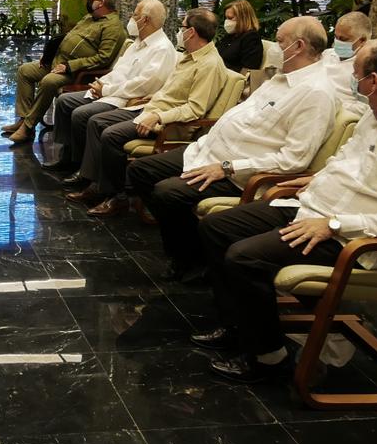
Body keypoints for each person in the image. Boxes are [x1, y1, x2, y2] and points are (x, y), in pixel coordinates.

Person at [194, 37, 377, 383]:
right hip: (313, 208)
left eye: (355, 73)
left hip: (351, 237)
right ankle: (239, 326)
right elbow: (346, 161)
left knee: (244, 258)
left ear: (374, 82)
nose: (351, 79)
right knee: (216, 227)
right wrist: (315, 180)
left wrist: (334, 223)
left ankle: (269, 358)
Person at [129, 16, 338, 281]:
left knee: (167, 193)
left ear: (298, 46)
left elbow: (293, 160)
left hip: (237, 172)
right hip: (208, 151)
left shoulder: (315, 93)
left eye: (280, 41)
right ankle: (191, 248)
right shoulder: (282, 77)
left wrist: (227, 168)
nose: (273, 46)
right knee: (141, 171)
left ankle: (193, 261)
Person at [66, 8, 228, 218]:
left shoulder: (209, 65)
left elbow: (194, 109)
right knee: (97, 122)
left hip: (169, 125)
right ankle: (97, 185)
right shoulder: (190, 57)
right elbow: (172, 92)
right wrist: (150, 98)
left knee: (111, 134)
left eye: (183, 27)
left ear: (192, 33)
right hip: (152, 109)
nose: (179, 31)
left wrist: (159, 117)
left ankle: (117, 197)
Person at [44, 0, 176, 172]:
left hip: (129, 100)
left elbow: (143, 85)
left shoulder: (162, 49)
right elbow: (118, 70)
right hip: (111, 92)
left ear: (145, 20)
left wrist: (106, 90)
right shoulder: (136, 43)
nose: (131, 18)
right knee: (64, 101)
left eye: (135, 15)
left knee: (81, 114)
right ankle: (67, 155)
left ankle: (82, 167)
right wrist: (100, 85)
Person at [4, 0, 125, 144]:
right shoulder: (91, 17)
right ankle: (24, 117)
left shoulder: (113, 27)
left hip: (76, 74)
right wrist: (49, 55)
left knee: (49, 81)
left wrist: (69, 66)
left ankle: (27, 127)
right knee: (25, 70)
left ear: (101, 3)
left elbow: (103, 58)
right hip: (57, 63)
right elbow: (69, 37)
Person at [323, 10, 372, 118]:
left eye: (343, 39)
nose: (337, 42)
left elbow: (365, 107)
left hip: (338, 115)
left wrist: (330, 105)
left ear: (362, 40)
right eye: (336, 37)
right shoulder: (326, 55)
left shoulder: (368, 67)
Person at [217, 0, 263, 73]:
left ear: (243, 18)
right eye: (226, 18)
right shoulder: (230, 36)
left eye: (230, 18)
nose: (227, 21)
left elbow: (248, 69)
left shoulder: (251, 38)